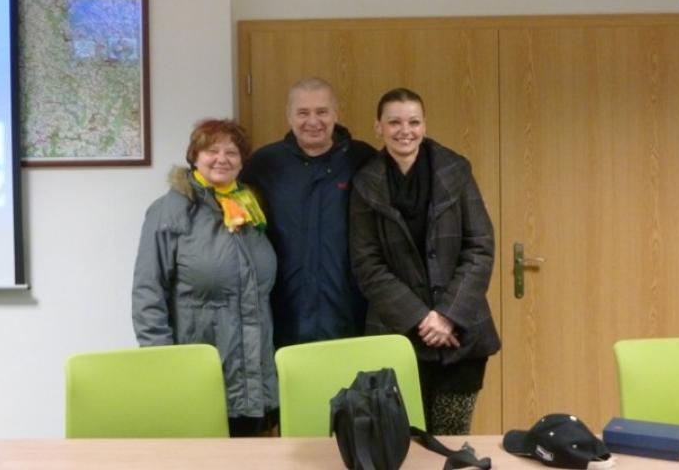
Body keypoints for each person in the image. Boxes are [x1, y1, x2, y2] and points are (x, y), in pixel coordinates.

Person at [349, 87, 500, 435]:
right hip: (398, 333)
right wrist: (421, 318)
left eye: (414, 122)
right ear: (378, 127)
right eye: (394, 122)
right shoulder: (365, 183)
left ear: (425, 125)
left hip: (460, 335)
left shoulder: (456, 171)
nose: (405, 131)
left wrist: (446, 316)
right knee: (404, 439)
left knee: (451, 440)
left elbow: (480, 247)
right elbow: (367, 264)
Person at [132, 118, 278, 437]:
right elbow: (148, 293)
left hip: (255, 372)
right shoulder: (170, 210)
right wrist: (163, 362)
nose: (222, 158)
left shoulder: (249, 207)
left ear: (242, 162)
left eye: (232, 152)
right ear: (194, 156)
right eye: (212, 150)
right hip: (199, 370)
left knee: (251, 455)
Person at [241, 77, 375, 348]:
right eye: (303, 113)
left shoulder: (363, 159)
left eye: (322, 112)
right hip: (283, 316)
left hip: (350, 315)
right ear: (289, 116)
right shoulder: (264, 164)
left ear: (336, 114)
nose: (313, 121)